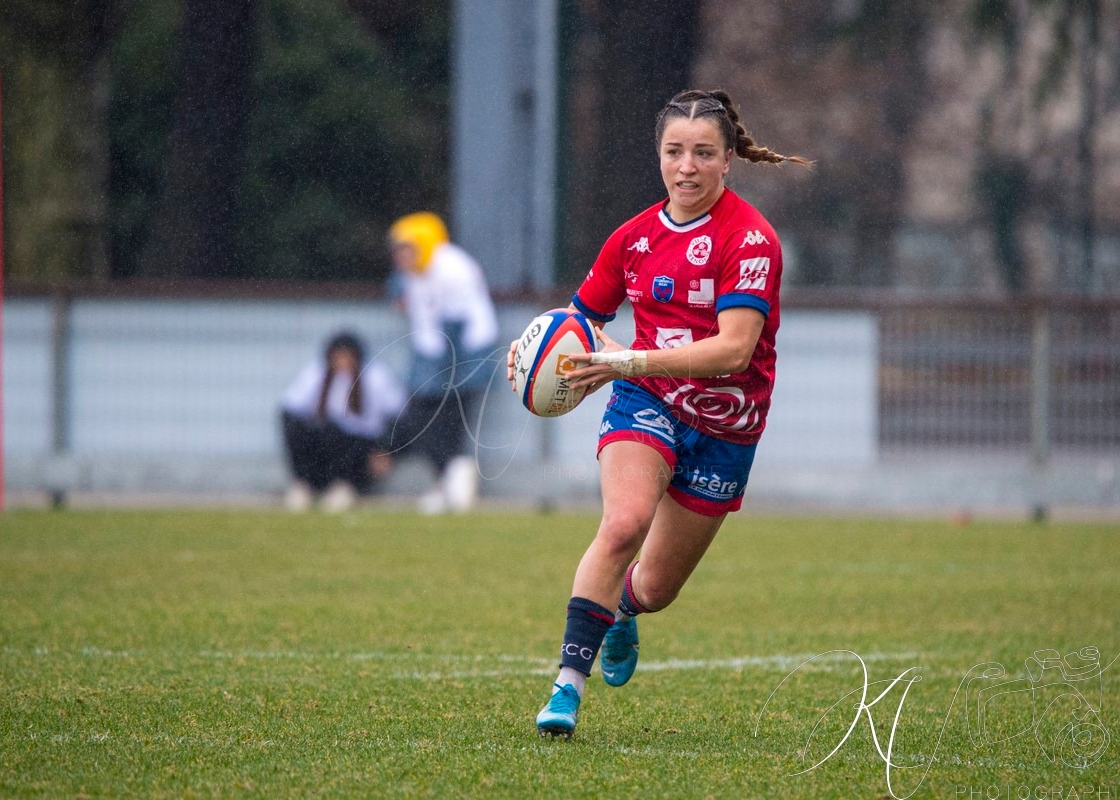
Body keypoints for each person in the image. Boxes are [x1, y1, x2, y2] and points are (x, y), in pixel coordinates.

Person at [506, 89, 811, 737]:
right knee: (622, 525)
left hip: (726, 429)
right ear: (659, 156)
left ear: (728, 160)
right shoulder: (633, 238)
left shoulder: (750, 239)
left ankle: (622, 613)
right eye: (674, 151)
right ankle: (566, 688)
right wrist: (536, 352)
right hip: (645, 404)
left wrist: (628, 359)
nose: (686, 166)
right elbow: (578, 321)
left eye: (703, 153)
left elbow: (734, 350)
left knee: (658, 587)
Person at [388, 211, 499, 514]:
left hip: (465, 354)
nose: (400, 257)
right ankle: (448, 483)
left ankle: (455, 485)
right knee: (423, 418)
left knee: (450, 421)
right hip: (437, 355)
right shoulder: (417, 269)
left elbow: (455, 327)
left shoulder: (453, 268)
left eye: (405, 249)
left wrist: (438, 375)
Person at [280, 332, 406, 512]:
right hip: (326, 442)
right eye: (337, 357)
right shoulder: (317, 373)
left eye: (348, 357)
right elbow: (290, 407)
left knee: (342, 437)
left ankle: (345, 487)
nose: (342, 363)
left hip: (361, 446)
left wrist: (387, 449)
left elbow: (400, 414)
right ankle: (303, 485)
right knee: (302, 428)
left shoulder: (375, 376)